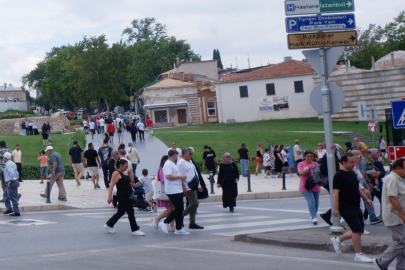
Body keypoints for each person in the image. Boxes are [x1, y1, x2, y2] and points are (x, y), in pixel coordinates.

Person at [330, 152, 374, 263]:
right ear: (343, 162)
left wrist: (366, 199)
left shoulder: (352, 173)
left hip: (356, 204)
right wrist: (336, 208)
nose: (354, 164)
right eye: (351, 162)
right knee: (357, 230)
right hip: (346, 206)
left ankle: (338, 240)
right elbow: (335, 192)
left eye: (354, 161)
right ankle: (358, 254)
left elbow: (357, 189)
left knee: (359, 230)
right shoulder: (339, 175)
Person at [373, 158, 405, 269]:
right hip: (394, 216)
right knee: (403, 240)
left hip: (399, 216)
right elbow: (392, 198)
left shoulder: (400, 179)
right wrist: (402, 214)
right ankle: (381, 261)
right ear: (398, 168)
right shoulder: (392, 179)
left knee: (400, 243)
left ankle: (401, 267)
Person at [104, 158, 145, 236]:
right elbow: (111, 185)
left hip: (127, 195)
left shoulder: (124, 173)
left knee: (120, 212)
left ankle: (108, 225)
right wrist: (109, 197)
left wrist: (131, 175)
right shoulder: (116, 173)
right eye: (125, 166)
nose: (126, 168)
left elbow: (131, 183)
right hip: (122, 196)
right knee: (131, 212)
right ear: (121, 165)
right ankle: (135, 229)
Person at [159, 150, 188, 235]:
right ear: (175, 156)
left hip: (176, 189)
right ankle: (165, 222)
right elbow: (168, 176)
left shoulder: (171, 164)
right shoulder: (168, 164)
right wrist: (180, 176)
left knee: (179, 209)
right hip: (173, 190)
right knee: (179, 209)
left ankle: (178, 228)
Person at [179, 147, 204, 229]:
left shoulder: (190, 162)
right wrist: (183, 187)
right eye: (189, 153)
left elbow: (195, 173)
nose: (191, 155)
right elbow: (179, 176)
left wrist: (199, 185)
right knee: (195, 203)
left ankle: (192, 222)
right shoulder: (181, 163)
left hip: (193, 185)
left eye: (191, 153)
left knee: (193, 204)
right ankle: (181, 216)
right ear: (184, 154)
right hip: (187, 186)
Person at [152, 155, 175, 232]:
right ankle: (157, 219)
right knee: (170, 209)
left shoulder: (163, 169)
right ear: (164, 161)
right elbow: (163, 180)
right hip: (166, 192)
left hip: (168, 191)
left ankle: (172, 226)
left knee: (172, 209)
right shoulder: (162, 169)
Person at [298, 151, 321, 225]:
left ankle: (313, 214)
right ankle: (314, 217)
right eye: (308, 156)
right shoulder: (301, 164)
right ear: (304, 156)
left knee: (316, 203)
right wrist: (308, 169)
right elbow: (300, 173)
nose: (310, 158)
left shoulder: (316, 164)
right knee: (311, 201)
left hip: (315, 185)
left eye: (311, 156)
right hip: (305, 186)